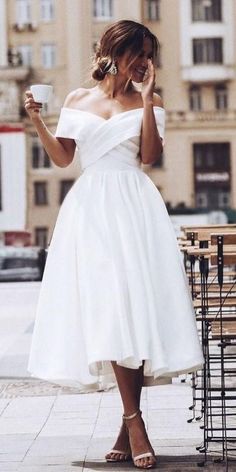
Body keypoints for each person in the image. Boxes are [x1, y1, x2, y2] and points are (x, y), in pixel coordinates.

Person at [25, 20, 204, 470]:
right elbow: (65, 157)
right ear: (113, 51)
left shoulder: (152, 100)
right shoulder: (76, 99)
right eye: (137, 53)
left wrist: (144, 101)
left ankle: (130, 424)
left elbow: (149, 156)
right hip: (90, 210)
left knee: (133, 309)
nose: (144, 63)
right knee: (109, 307)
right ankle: (134, 421)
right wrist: (37, 122)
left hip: (134, 206)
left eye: (149, 55)